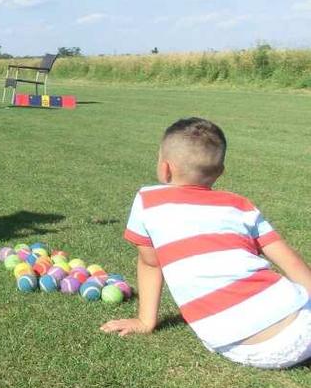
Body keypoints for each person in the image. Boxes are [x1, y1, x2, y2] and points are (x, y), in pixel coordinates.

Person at [102, 117, 311, 368]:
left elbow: (150, 263)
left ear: (165, 168)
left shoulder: (148, 200)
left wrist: (145, 322)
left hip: (246, 348)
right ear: (220, 171)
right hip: (302, 322)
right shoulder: (240, 205)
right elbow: (291, 263)